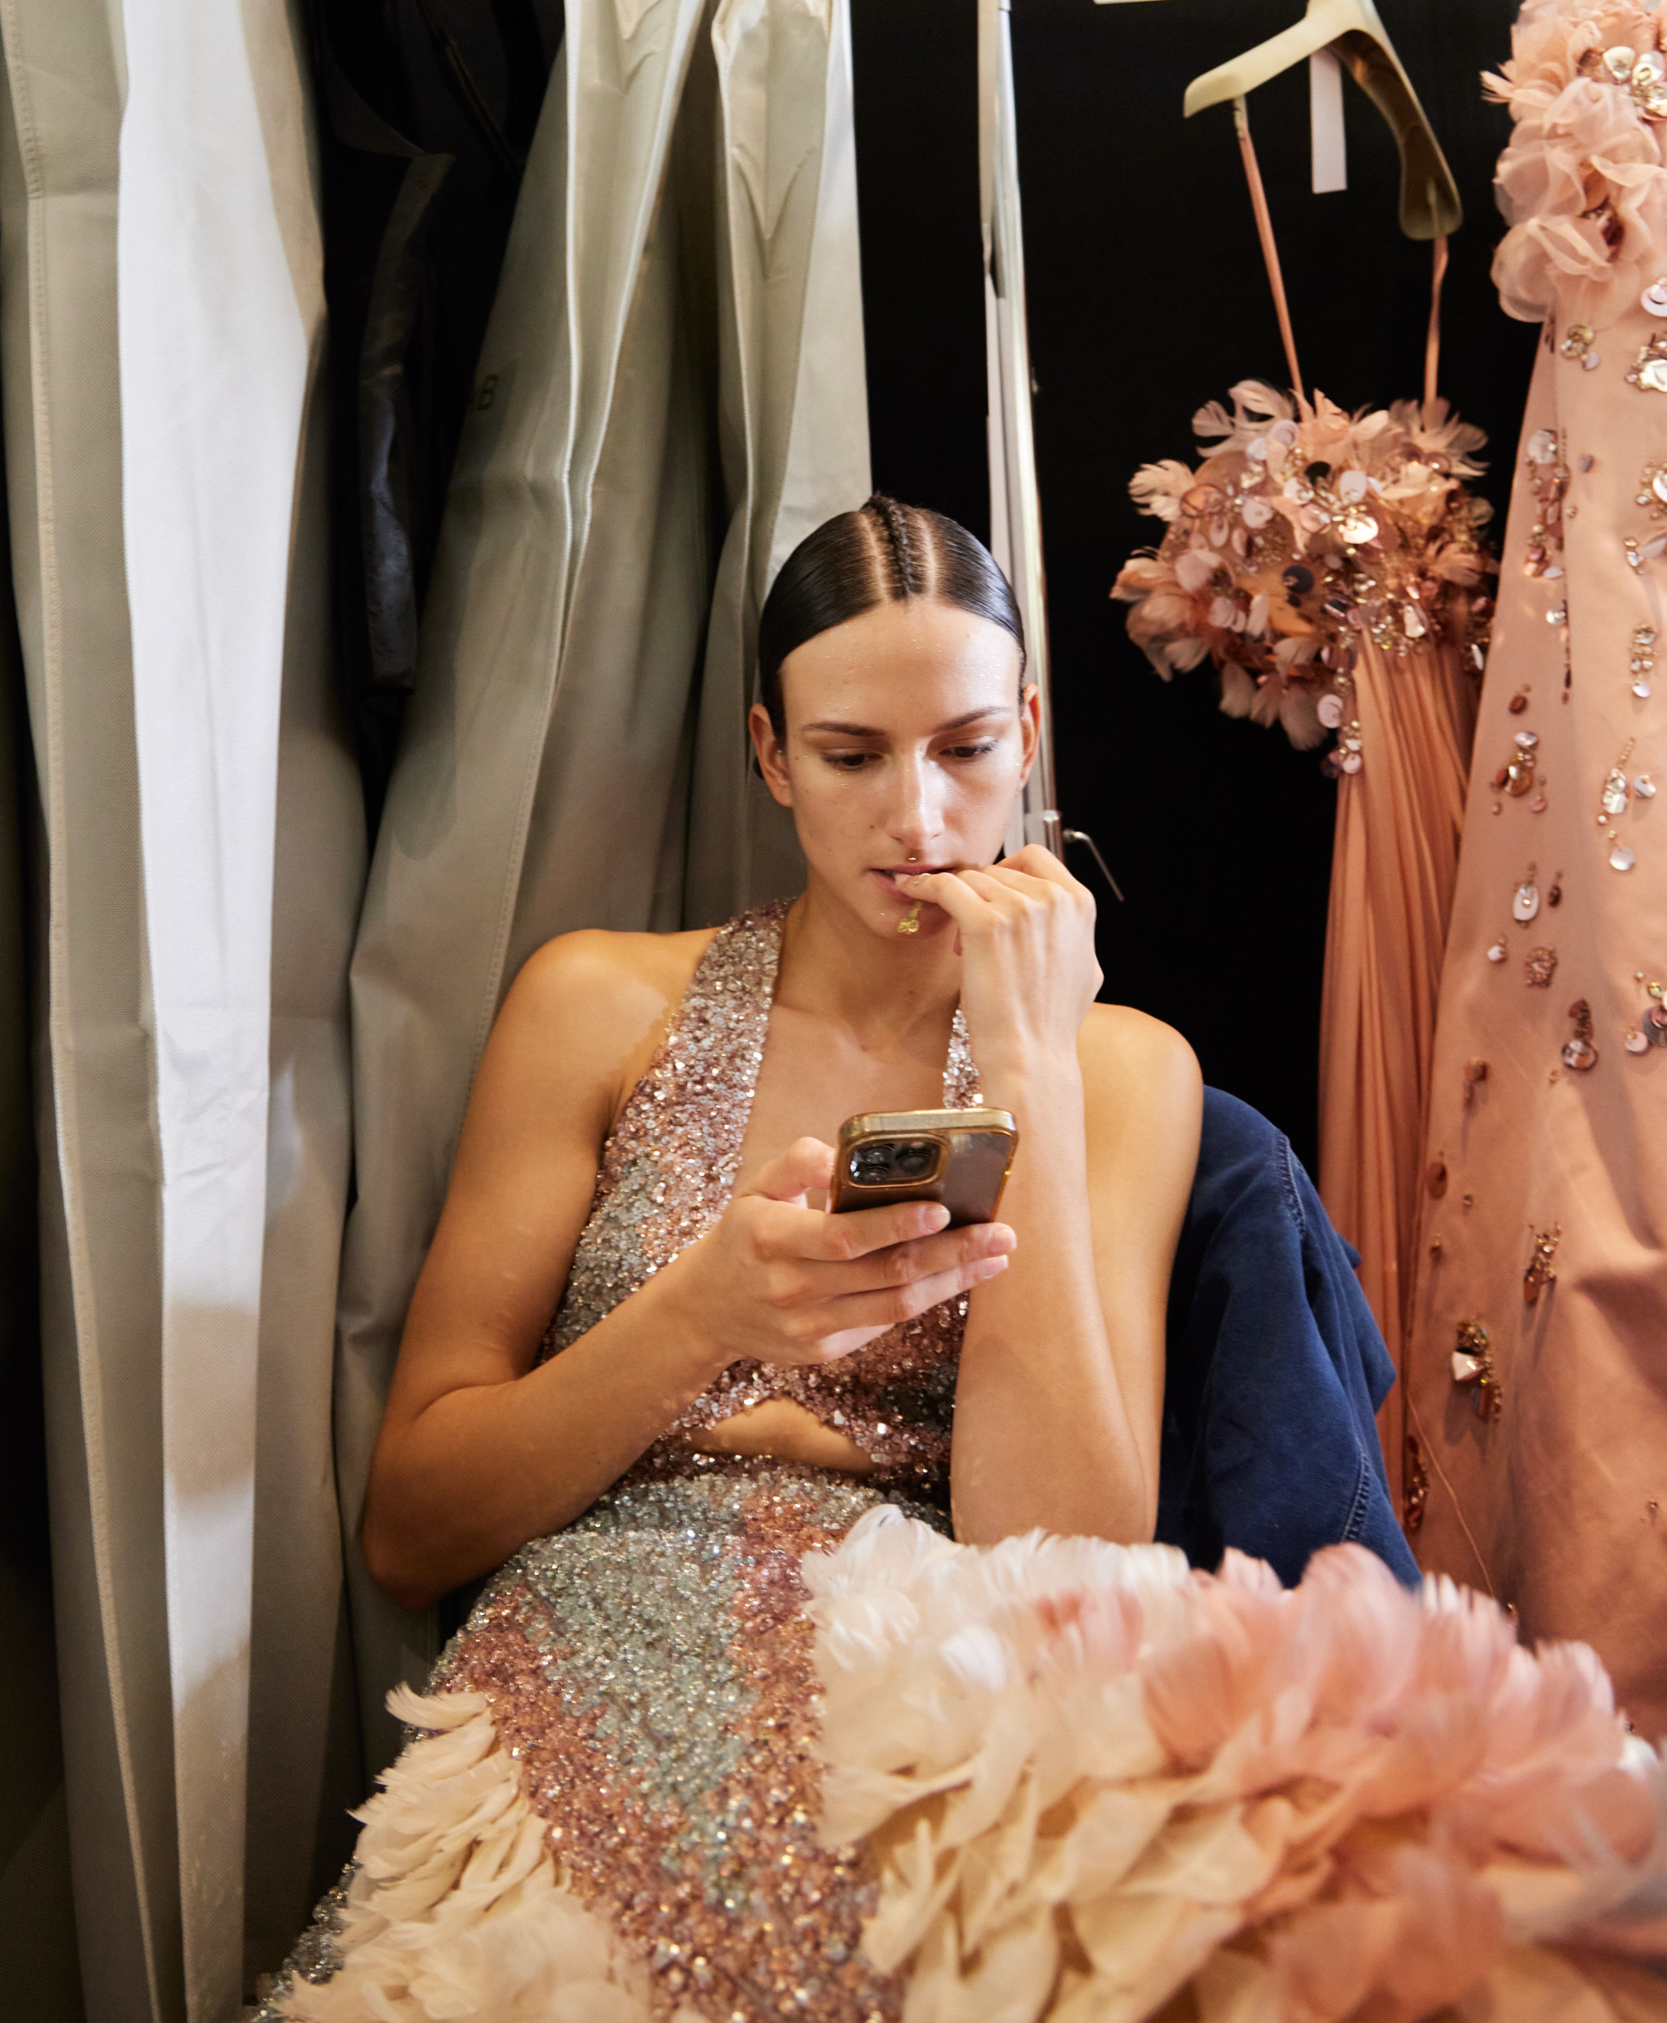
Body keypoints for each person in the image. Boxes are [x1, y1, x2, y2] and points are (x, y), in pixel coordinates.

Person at [271, 493, 1205, 2022]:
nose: (920, 821)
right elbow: (411, 1527)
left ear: (1029, 733)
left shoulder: (1125, 1070)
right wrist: (698, 1315)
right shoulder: (594, 1004)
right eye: (851, 757)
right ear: (772, 754)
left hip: (931, 1697)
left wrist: (1031, 1057)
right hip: (589, 1663)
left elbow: (1070, 1561)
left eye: (967, 749)